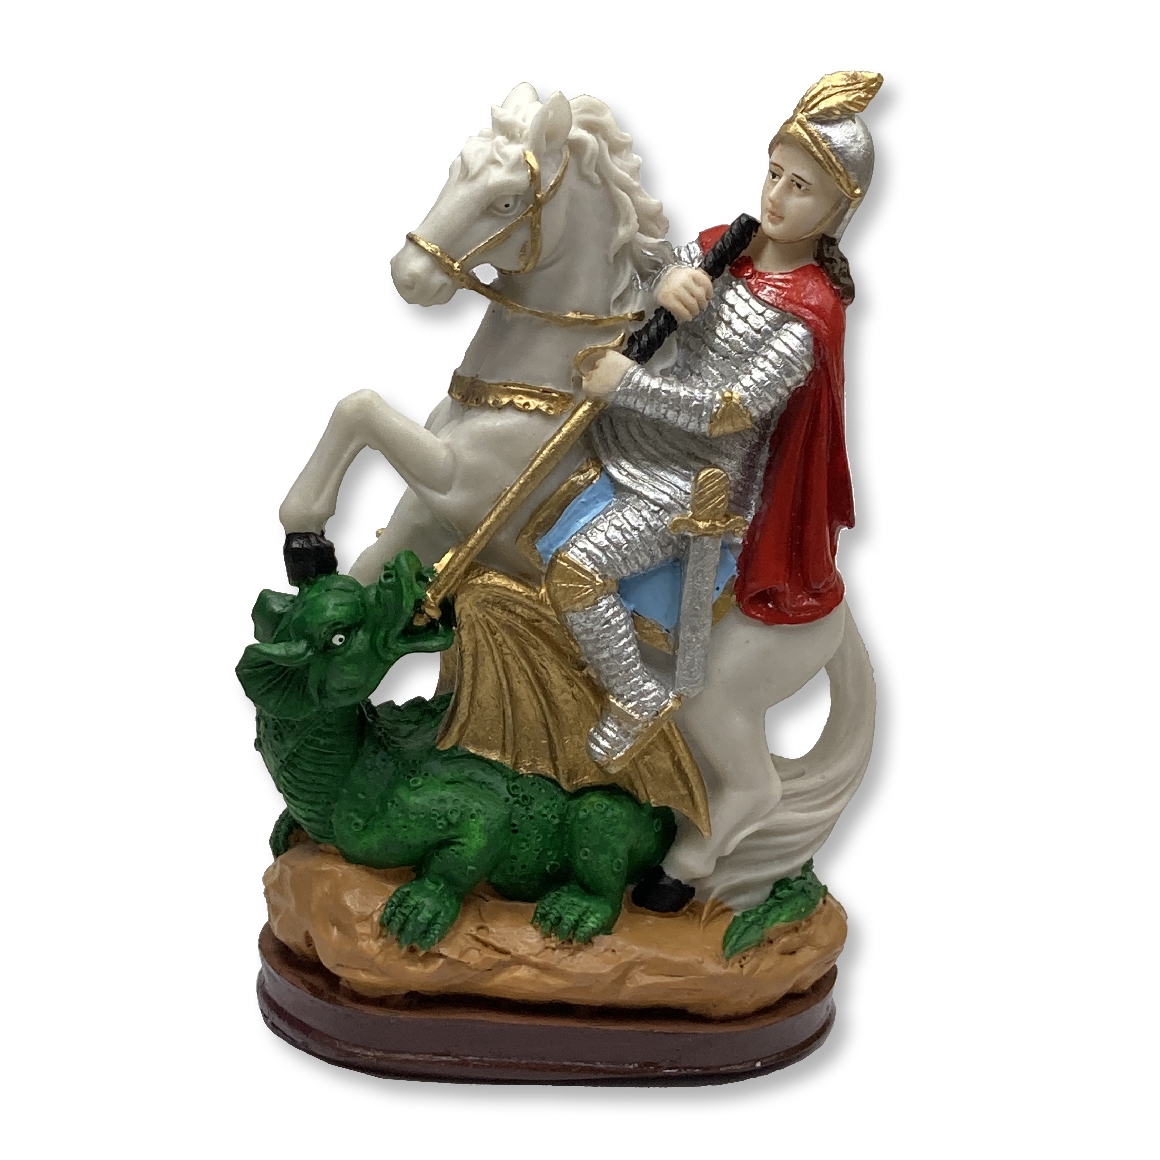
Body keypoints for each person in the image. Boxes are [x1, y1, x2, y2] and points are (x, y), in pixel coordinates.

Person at [549, 72, 881, 771]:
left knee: (578, 572)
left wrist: (629, 384)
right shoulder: (726, 247)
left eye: (800, 187)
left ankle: (634, 696)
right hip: (625, 435)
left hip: (692, 485)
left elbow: (729, 413)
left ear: (837, 208)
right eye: (774, 173)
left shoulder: (808, 316)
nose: (776, 196)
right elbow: (648, 270)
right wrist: (663, 282)